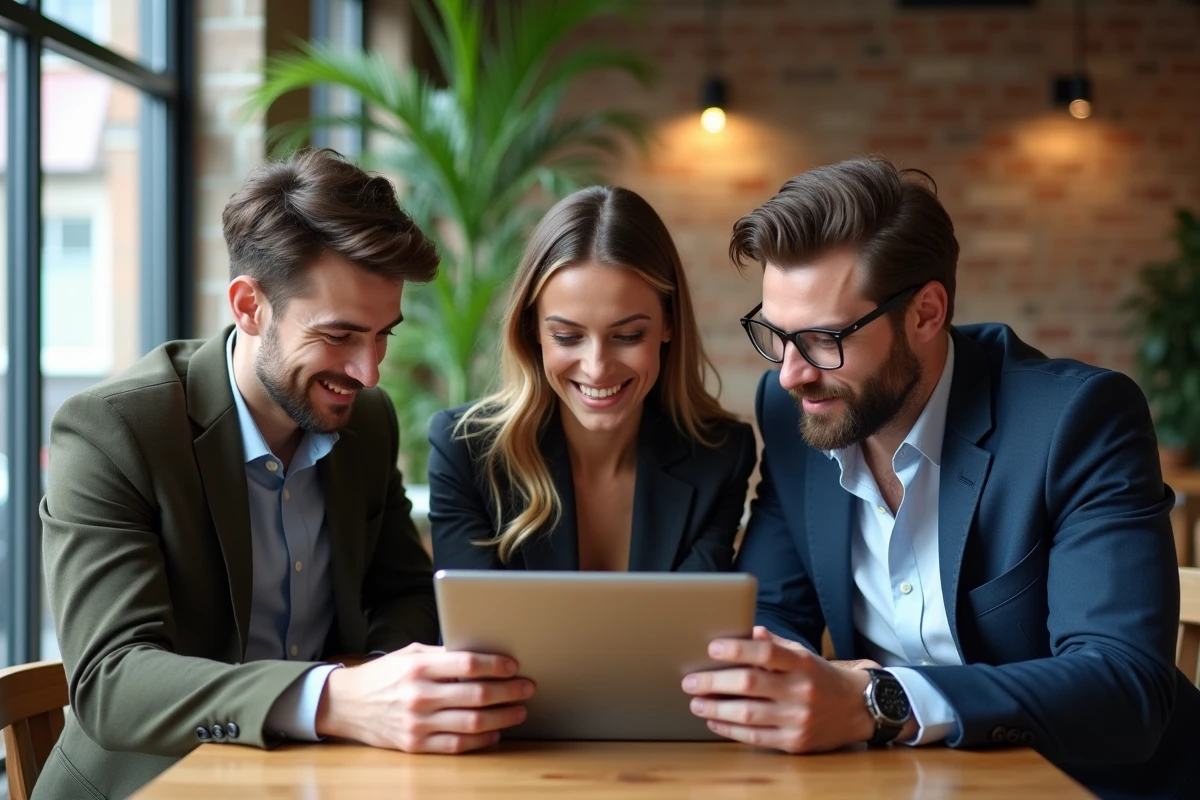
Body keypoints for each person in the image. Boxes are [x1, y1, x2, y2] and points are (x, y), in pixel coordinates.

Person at [682, 156, 1200, 799]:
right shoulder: (800, 414)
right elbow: (771, 612)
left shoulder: (1077, 420)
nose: (791, 373)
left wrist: (877, 700)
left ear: (926, 313)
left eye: (822, 339)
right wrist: (792, 683)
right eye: (776, 334)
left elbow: (1124, 687)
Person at [38, 149, 534, 800]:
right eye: (339, 336)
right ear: (249, 306)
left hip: (317, 778)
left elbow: (406, 594)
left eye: (382, 335)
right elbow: (112, 680)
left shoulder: (367, 422)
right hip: (150, 785)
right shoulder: (114, 431)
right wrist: (333, 698)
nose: (369, 372)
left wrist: (381, 683)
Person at [428, 186, 755, 573]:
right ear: (532, 328)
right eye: (567, 337)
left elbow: (697, 610)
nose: (597, 368)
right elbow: (471, 612)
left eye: (628, 336)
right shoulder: (464, 452)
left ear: (668, 323)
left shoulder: (720, 457)